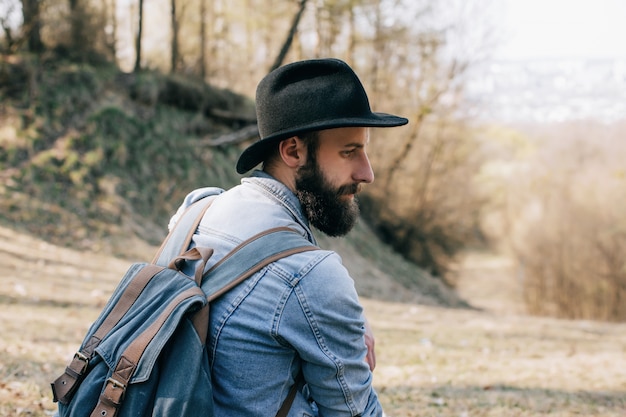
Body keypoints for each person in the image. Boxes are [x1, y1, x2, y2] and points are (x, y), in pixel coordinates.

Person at [168, 58, 408, 416]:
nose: (367, 172)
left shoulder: (198, 210)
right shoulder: (311, 277)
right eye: (349, 151)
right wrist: (334, 301)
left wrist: (346, 312)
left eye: (364, 148)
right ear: (293, 151)